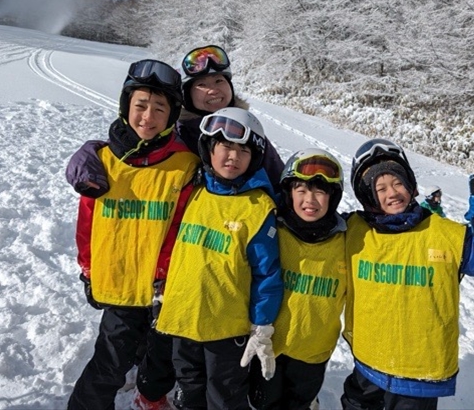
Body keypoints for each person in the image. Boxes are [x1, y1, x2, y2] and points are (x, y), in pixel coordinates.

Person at [341, 138, 474, 410]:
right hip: (367, 364)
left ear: (411, 185)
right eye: (380, 188)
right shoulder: (353, 231)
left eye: (398, 183)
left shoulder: (444, 234)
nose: (392, 193)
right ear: (367, 196)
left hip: (418, 377)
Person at [66, 60, 199, 410]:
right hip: (120, 286)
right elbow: (88, 223)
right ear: (126, 107)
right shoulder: (104, 162)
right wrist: (89, 270)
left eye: (159, 109)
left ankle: (150, 396)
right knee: (109, 363)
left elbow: (181, 229)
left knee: (161, 357)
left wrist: (165, 277)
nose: (148, 117)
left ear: (172, 116)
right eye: (140, 106)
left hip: (162, 291)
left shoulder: (184, 166)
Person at [153, 107, 284, 410]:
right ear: (209, 149)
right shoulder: (193, 192)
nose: (233, 157)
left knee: (224, 396)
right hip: (182, 320)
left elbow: (268, 274)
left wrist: (262, 325)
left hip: (227, 330)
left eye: (243, 151)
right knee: (189, 386)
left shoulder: (258, 207)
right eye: (225, 146)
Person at [66, 45, 284, 198]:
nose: (213, 89)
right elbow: (130, 148)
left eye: (219, 80)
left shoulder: (251, 134)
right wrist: (88, 154)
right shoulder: (175, 132)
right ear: (187, 95)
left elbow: (280, 183)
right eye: (201, 85)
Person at [248, 148, 347, 410]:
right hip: (269, 345)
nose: (310, 200)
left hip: (313, 353)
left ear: (332, 196)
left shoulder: (346, 239)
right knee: (262, 402)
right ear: (288, 192)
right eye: (301, 190)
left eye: (320, 191)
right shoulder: (272, 231)